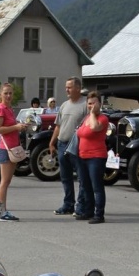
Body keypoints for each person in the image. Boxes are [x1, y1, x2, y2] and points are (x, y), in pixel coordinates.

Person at [49, 77, 87, 216]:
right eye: (66, 87)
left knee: (82, 177)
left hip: (77, 145)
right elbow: (58, 126)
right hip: (62, 144)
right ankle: (68, 204)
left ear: (78, 88)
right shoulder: (64, 105)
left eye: (69, 87)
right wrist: (52, 142)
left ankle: (81, 205)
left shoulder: (85, 104)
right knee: (65, 177)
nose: (67, 89)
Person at [0, 82, 26, 221]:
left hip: (13, 148)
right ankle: (1, 211)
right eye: (5, 93)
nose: (8, 96)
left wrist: (20, 126)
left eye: (10, 93)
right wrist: (16, 127)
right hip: (5, 148)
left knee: (7, 181)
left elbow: (10, 126)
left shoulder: (9, 109)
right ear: (1, 94)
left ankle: (3, 210)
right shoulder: (1, 109)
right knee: (4, 182)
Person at [75, 91, 109, 224]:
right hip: (83, 156)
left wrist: (94, 114)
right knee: (85, 186)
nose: (91, 106)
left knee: (97, 186)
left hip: (96, 156)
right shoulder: (86, 118)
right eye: (89, 104)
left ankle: (99, 214)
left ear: (99, 104)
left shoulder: (102, 118)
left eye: (94, 103)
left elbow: (95, 128)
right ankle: (88, 211)